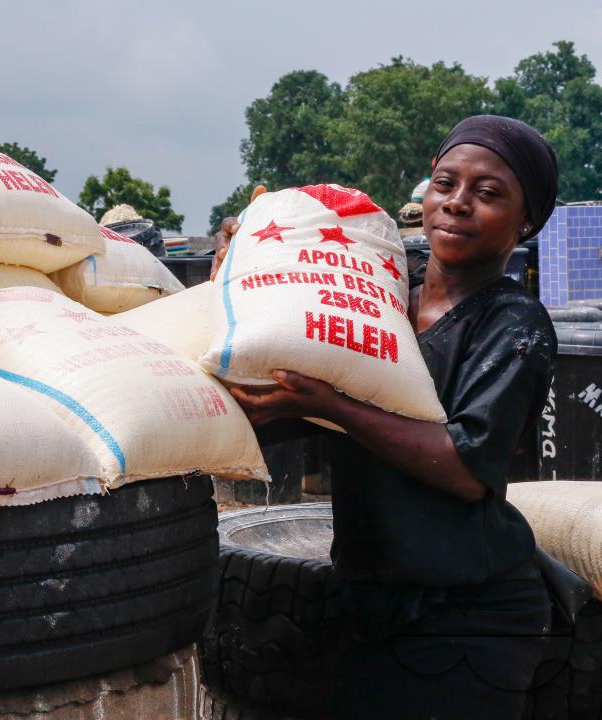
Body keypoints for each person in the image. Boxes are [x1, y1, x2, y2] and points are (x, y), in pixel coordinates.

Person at [212, 115, 560, 719]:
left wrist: (335, 406)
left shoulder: (513, 324)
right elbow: (288, 405)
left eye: (488, 193)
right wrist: (243, 269)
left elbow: (466, 466)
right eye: (446, 184)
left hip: (470, 619)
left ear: (526, 220)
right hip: (366, 602)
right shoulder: (381, 300)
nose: (456, 204)